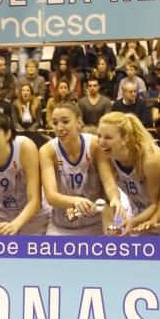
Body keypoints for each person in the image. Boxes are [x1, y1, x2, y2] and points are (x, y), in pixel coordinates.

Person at [0, 113, 50, 235]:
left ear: (7, 134)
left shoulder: (25, 147)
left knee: (32, 252)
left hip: (33, 212)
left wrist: (15, 224)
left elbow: (35, 200)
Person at [95, 111, 160, 233]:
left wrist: (132, 222)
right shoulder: (106, 155)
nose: (101, 142)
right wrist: (115, 200)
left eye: (108, 137)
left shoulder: (150, 158)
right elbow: (110, 186)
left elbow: (157, 204)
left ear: (125, 139)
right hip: (140, 218)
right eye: (99, 136)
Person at [41, 101, 105, 236]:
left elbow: (108, 187)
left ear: (79, 123)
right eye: (55, 122)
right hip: (60, 227)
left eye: (65, 121)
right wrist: (75, 202)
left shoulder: (94, 145)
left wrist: (108, 216)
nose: (59, 127)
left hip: (96, 225)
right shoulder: (47, 150)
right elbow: (51, 196)